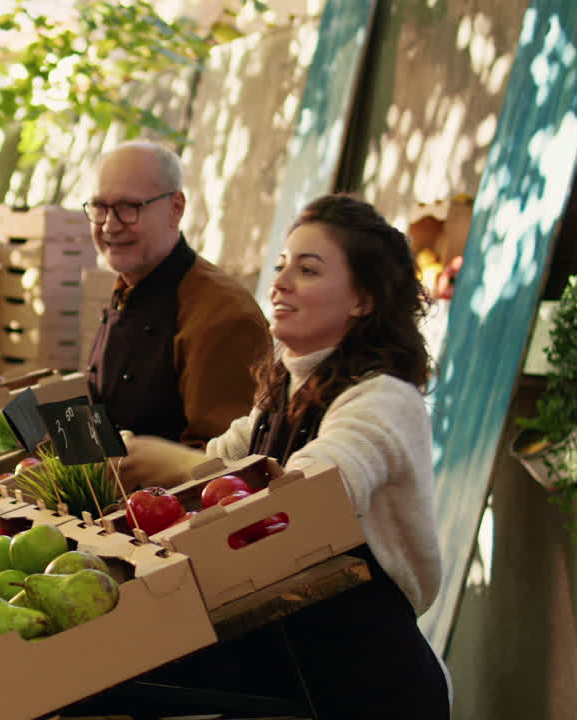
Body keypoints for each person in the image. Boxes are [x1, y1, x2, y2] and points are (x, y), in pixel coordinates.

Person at [124, 194, 449, 718]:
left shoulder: (384, 401)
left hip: (372, 690)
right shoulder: (282, 395)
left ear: (363, 299)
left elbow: (314, 491)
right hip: (288, 682)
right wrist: (121, 461)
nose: (280, 284)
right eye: (281, 266)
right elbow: (218, 459)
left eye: (308, 269)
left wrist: (175, 465)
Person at [84, 141, 270, 450]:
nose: (110, 225)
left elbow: (217, 466)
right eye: (100, 207)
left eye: (129, 207)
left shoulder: (224, 315)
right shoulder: (129, 286)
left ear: (176, 208)